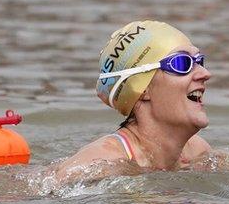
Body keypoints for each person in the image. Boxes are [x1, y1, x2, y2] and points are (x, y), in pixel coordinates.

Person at [54, 20, 220, 180]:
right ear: (141, 90)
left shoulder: (197, 153)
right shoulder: (99, 166)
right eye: (182, 63)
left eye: (200, 61)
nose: (205, 73)